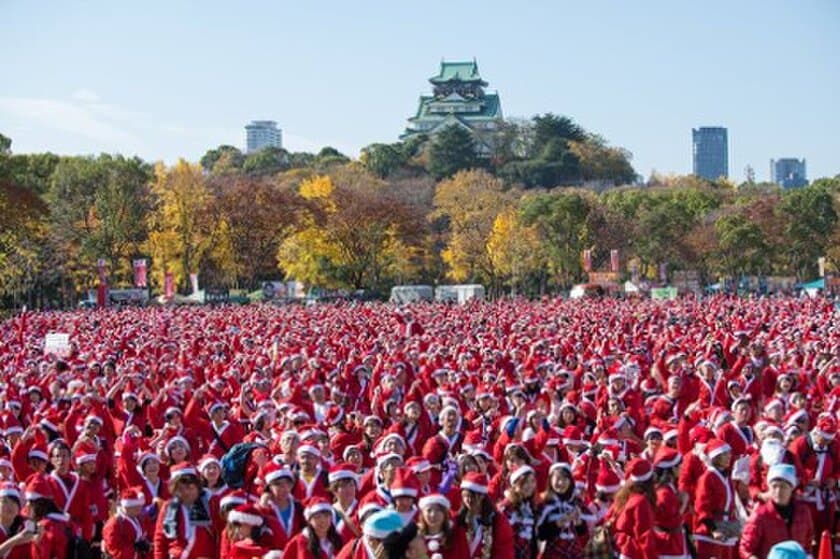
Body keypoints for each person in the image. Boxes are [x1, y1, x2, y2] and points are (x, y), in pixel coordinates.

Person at [739, 464, 814, 559]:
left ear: (791, 488)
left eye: (783, 487)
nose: (778, 491)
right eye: (774, 486)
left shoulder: (803, 512)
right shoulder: (760, 515)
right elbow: (745, 549)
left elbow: (808, 543)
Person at [152, 462, 217, 559]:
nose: (186, 492)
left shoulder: (210, 503)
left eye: (190, 487)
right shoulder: (170, 506)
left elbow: (220, 534)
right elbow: (160, 538)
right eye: (181, 488)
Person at [694, 439, 740, 559]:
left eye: (729, 453)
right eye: (725, 454)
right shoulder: (707, 477)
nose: (729, 457)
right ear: (716, 457)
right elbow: (702, 506)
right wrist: (713, 529)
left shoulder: (726, 476)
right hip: (712, 530)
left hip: (727, 526)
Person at [456, 472, 515, 559]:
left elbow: (504, 551)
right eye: (465, 496)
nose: (468, 500)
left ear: (482, 496)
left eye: (472, 496)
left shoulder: (498, 520)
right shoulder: (458, 519)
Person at [607, 457, 657, 559]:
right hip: (632, 552)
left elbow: (609, 516)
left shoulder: (624, 495)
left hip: (621, 548)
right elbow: (644, 536)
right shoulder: (640, 501)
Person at [536, 462, 587, 559]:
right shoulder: (543, 502)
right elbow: (540, 534)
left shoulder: (575, 501)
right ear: (550, 480)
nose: (561, 483)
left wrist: (578, 522)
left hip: (573, 552)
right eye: (558, 479)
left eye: (565, 479)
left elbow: (582, 532)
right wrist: (559, 523)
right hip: (552, 553)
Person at [102, 486, 153, 559]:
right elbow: (114, 549)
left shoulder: (139, 519)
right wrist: (135, 549)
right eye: (137, 507)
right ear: (128, 506)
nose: (140, 509)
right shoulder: (114, 524)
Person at [418, 493, 469, 559]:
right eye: (429, 510)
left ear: (445, 514)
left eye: (438, 510)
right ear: (422, 514)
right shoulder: (415, 537)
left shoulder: (457, 535)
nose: (433, 515)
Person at [0, 482, 34, 559]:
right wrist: (16, 539)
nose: (10, 506)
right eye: (5, 501)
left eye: (14, 502)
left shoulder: (24, 526)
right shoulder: (22, 533)